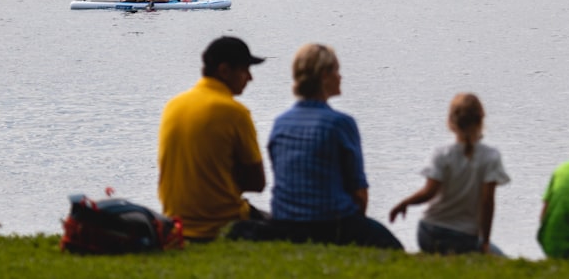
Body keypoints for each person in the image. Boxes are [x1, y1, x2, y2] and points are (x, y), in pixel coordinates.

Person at [263, 43, 402, 249]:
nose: (340, 77)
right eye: (336, 70)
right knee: (392, 247)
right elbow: (359, 194)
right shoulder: (340, 123)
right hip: (330, 223)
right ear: (324, 76)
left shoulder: (280, 123)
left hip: (284, 223)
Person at [157, 36, 267, 241]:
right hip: (220, 224)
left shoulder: (173, 105)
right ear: (224, 70)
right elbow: (257, 183)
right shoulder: (235, 112)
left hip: (175, 223)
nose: (250, 78)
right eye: (245, 69)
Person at [389, 93, 509, 255]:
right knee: (500, 258)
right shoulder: (490, 157)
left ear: (451, 122)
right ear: (481, 120)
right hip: (463, 239)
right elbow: (487, 202)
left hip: (428, 232)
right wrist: (485, 241)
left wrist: (404, 203)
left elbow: (428, 193)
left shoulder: (441, 153)